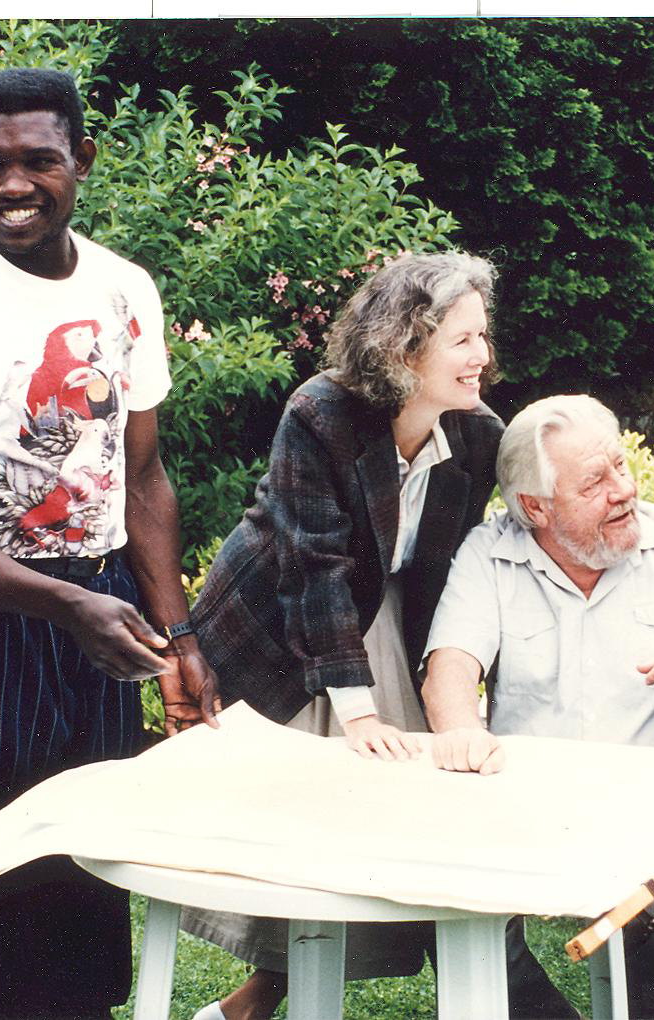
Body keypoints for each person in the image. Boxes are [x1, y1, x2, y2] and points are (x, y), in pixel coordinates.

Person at [0, 69, 219, 1018]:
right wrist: (64, 604)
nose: (12, 185)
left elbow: (142, 475)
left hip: (101, 603)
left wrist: (179, 635)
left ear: (82, 160)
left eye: (38, 161)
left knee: (91, 876)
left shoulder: (123, 288)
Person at [182, 251, 504, 1020]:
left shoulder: (479, 435)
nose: (483, 356)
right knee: (301, 828)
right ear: (406, 347)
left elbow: (453, 569)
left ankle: (258, 1001)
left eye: (483, 336)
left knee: (385, 822)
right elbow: (314, 564)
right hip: (283, 620)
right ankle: (261, 997)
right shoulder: (320, 413)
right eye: (463, 340)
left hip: (387, 619)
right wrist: (358, 710)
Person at [422, 394, 654, 1020]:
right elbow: (450, 668)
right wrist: (459, 732)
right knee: (436, 894)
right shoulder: (491, 553)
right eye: (594, 482)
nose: (623, 490)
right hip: (532, 808)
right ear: (535, 506)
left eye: (620, 465)